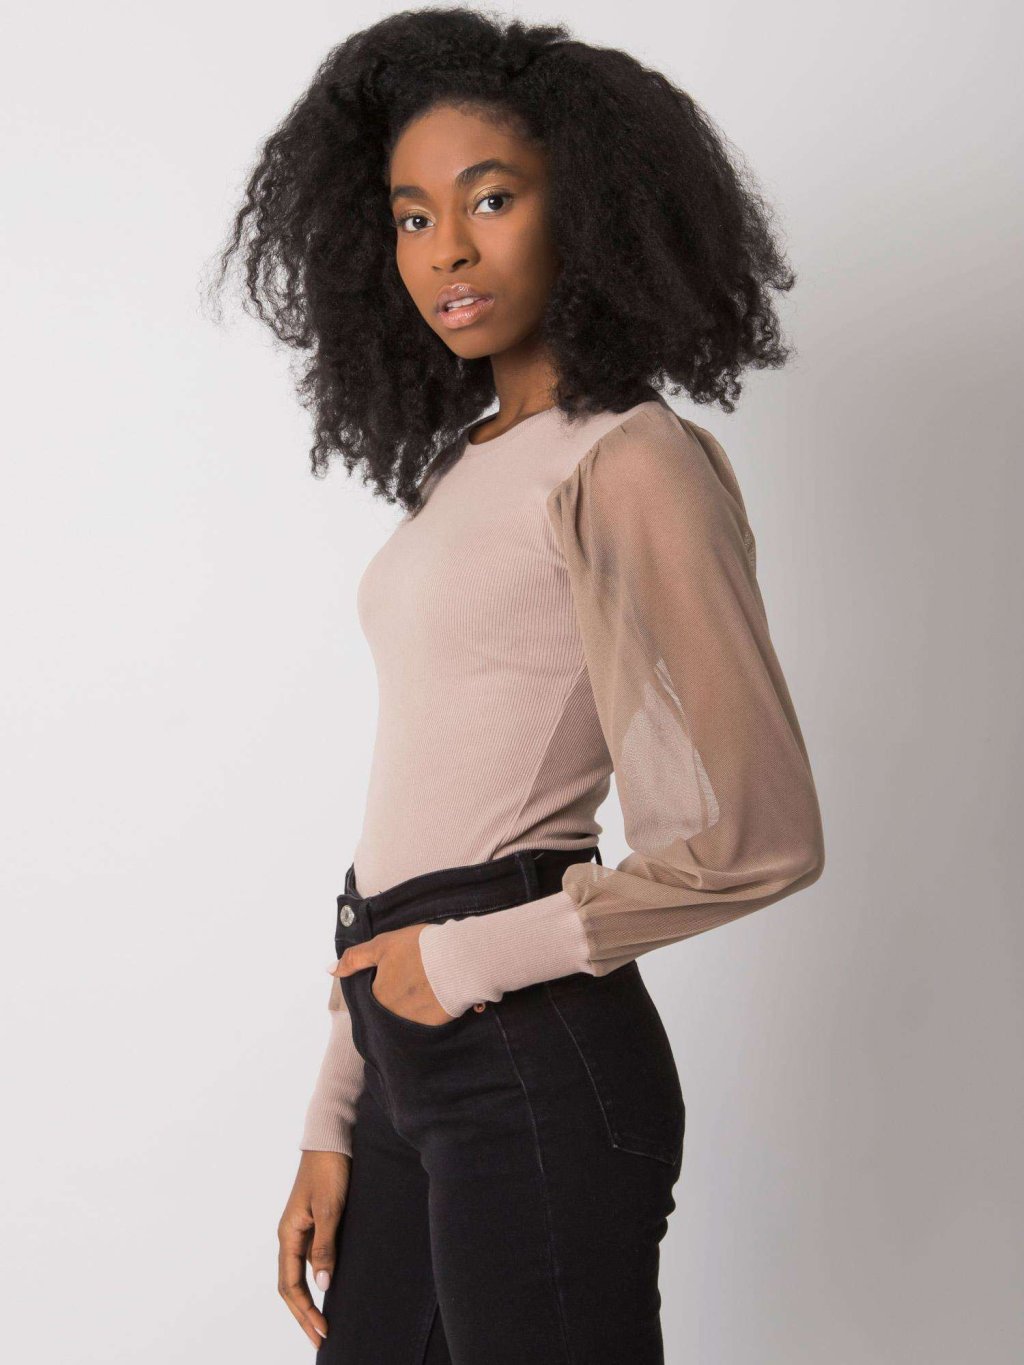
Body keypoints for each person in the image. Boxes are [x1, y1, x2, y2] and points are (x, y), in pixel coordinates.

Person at [209, 8, 825, 1361]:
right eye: (412, 216)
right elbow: (414, 819)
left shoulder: (631, 457)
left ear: (587, 209)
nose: (448, 249)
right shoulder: (463, 468)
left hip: (528, 1046)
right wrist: (335, 1108)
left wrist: (463, 962)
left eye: (491, 199)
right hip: (405, 1035)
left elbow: (764, 835)